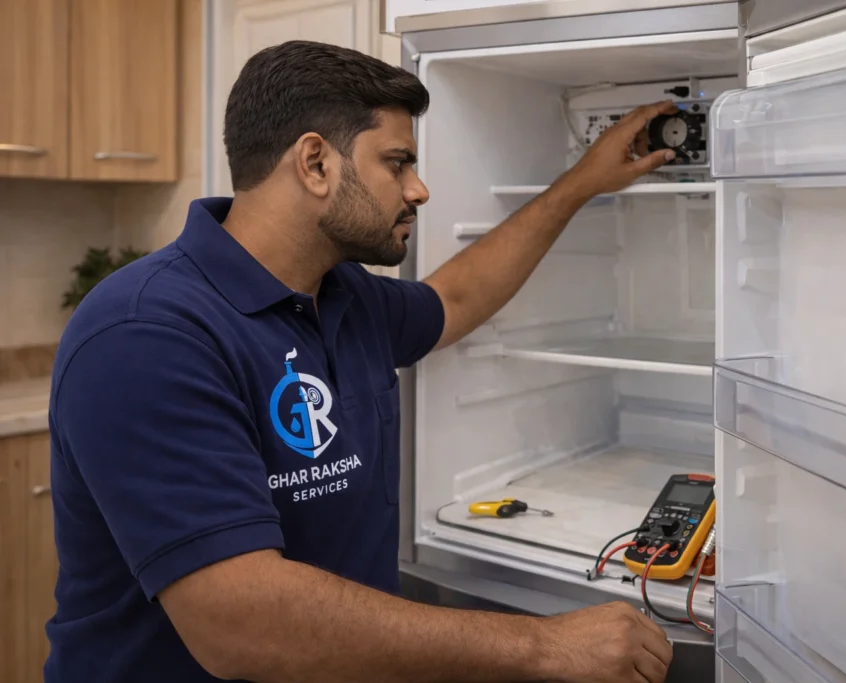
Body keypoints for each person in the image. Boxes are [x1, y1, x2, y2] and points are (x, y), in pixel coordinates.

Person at [44, 40, 679, 683]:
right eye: (398, 163)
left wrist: (582, 182)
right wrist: (545, 646)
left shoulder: (346, 297)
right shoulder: (145, 335)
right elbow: (238, 622)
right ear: (316, 162)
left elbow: (456, 295)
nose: (419, 189)